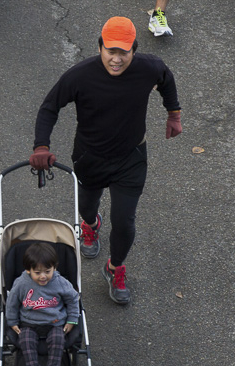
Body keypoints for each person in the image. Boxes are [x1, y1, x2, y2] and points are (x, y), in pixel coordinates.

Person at [30, 17, 181, 305]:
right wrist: (41, 146)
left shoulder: (148, 67)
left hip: (131, 158)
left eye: (123, 52)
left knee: (124, 222)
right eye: (110, 51)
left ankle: (115, 268)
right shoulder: (80, 76)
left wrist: (174, 112)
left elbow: (166, 78)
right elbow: (49, 108)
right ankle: (90, 224)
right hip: (91, 157)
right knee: (87, 206)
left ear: (134, 50)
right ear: (100, 47)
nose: (116, 58)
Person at [5, 243, 80, 366]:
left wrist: (72, 319)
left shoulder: (60, 282)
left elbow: (73, 299)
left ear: (55, 268)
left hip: (55, 323)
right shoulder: (21, 283)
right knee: (25, 340)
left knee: (59, 340)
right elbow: (12, 302)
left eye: (47, 271)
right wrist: (12, 321)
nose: (43, 276)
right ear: (28, 270)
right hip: (29, 323)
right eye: (37, 272)